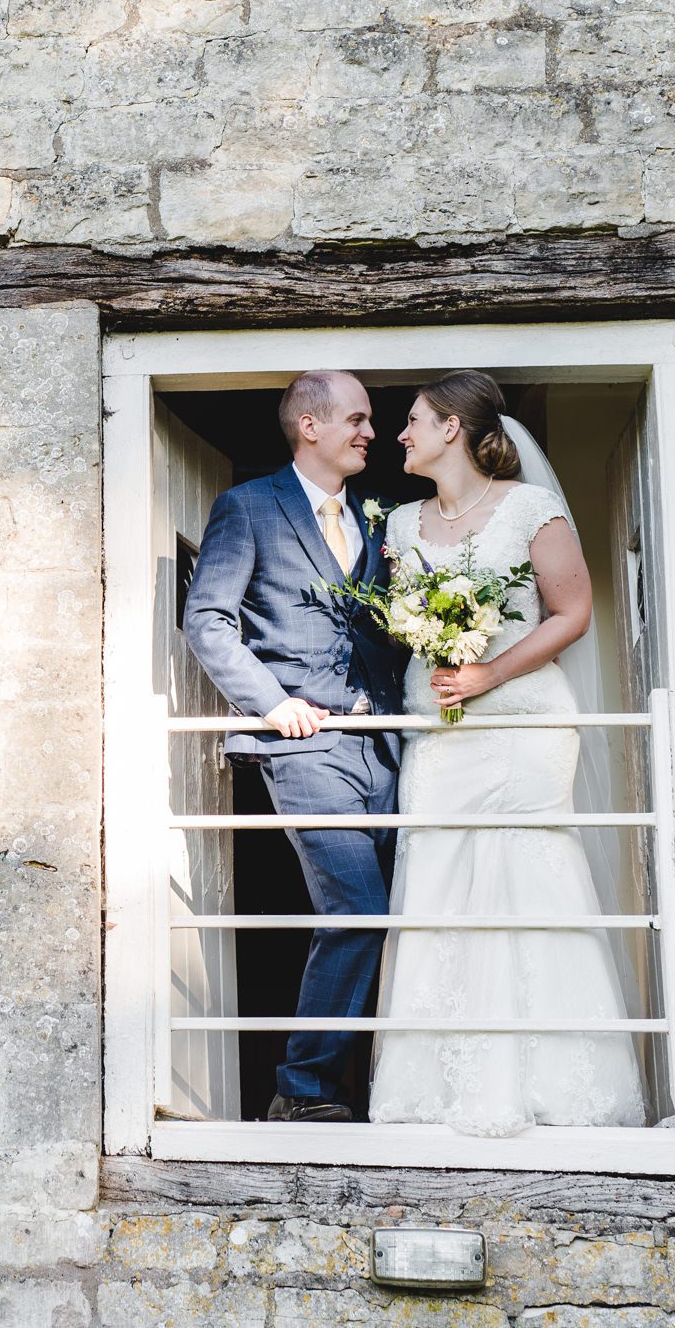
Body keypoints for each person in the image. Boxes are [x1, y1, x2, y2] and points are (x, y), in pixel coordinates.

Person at [367, 370, 645, 1134]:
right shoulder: (398, 524)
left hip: (522, 725)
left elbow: (574, 611)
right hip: (442, 729)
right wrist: (431, 638)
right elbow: (401, 624)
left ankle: (558, 1087)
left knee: (529, 877)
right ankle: (441, 1090)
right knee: (441, 881)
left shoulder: (529, 508)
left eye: (414, 420)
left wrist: (488, 669)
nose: (401, 434)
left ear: (452, 428)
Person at [182, 369, 406, 1122]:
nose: (370, 431)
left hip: (387, 743)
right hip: (304, 744)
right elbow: (207, 620)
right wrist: (274, 705)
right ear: (310, 426)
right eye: (357, 418)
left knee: (413, 909)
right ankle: (302, 1090)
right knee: (357, 908)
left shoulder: (380, 522)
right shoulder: (248, 507)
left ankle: (395, 1086)